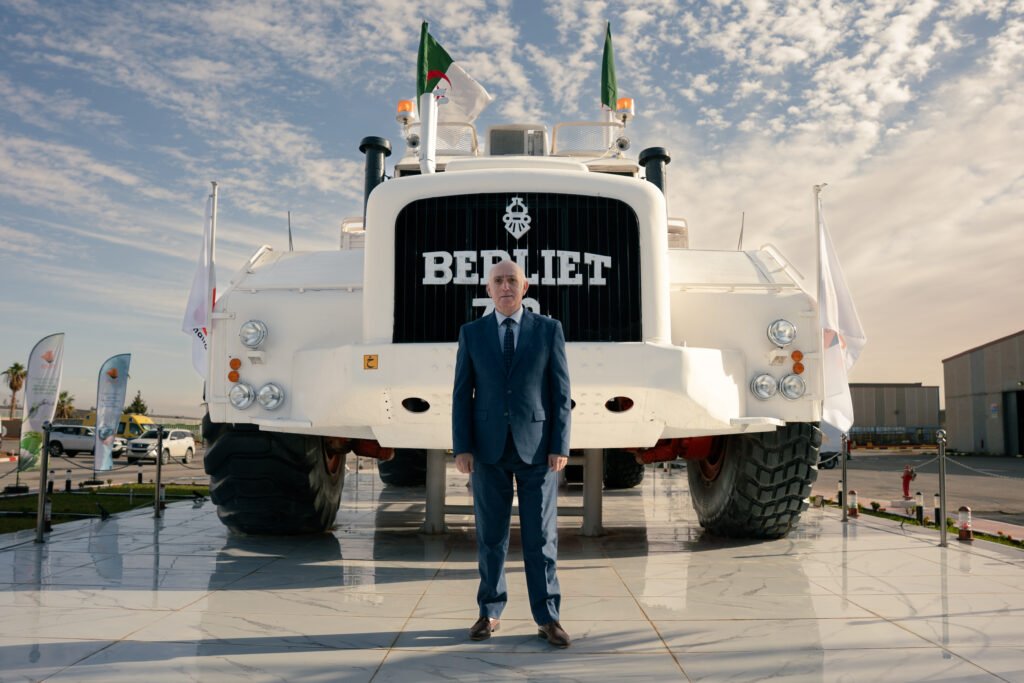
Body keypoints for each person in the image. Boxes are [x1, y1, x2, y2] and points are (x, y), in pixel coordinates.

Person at [452, 259, 572, 648]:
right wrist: (463, 447)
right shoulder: (471, 333)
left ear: (526, 286)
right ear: (488, 289)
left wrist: (560, 445)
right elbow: (461, 394)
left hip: (538, 451)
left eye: (512, 281)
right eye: (498, 281)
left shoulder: (549, 330)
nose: (505, 286)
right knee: (491, 537)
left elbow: (560, 393)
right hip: (487, 451)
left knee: (541, 538)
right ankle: (489, 611)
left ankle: (548, 617)